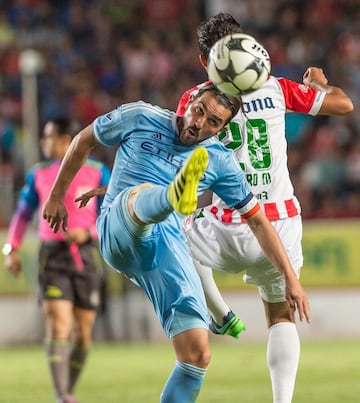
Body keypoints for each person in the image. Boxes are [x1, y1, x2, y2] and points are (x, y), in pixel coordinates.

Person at [41, 84, 310, 403]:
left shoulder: (220, 160)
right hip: (120, 228)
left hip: (165, 248)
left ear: (223, 129)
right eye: (199, 110)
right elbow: (84, 139)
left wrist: (291, 279)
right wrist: (57, 195)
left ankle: (175, 200)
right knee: (137, 196)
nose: (199, 123)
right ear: (189, 101)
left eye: (213, 122)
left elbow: (258, 221)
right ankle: (173, 194)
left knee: (197, 354)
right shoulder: (141, 116)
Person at [176, 13, 354, 403]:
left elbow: (179, 156)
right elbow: (344, 105)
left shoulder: (195, 101)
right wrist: (320, 86)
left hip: (229, 224)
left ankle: (218, 311)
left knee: (172, 226)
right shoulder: (276, 88)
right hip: (282, 222)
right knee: (279, 317)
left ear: (205, 61)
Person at [2, 118, 111, 403]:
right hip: (51, 255)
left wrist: (87, 232)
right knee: (59, 323)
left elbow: (112, 215)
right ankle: (62, 396)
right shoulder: (38, 174)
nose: (44, 143)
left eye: (49, 137)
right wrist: (10, 248)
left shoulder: (98, 172)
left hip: (87, 255)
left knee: (83, 334)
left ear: (66, 140)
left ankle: (68, 389)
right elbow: (23, 214)